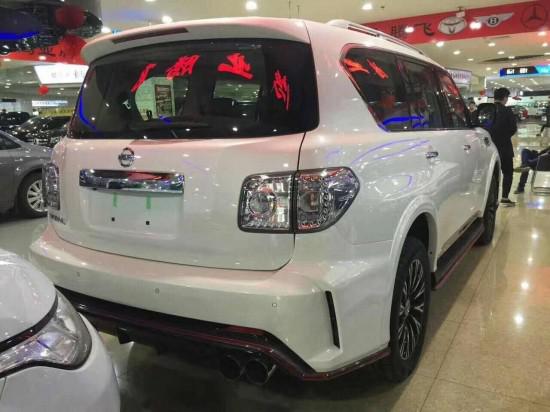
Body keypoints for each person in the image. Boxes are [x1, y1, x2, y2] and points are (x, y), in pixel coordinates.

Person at [490, 88, 518, 206]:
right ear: (505, 97)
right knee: (507, 172)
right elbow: (513, 128)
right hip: (504, 147)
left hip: (489, 147)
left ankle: (490, 199)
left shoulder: (487, 110)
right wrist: (504, 136)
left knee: (490, 173)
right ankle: (505, 198)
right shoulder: (507, 111)